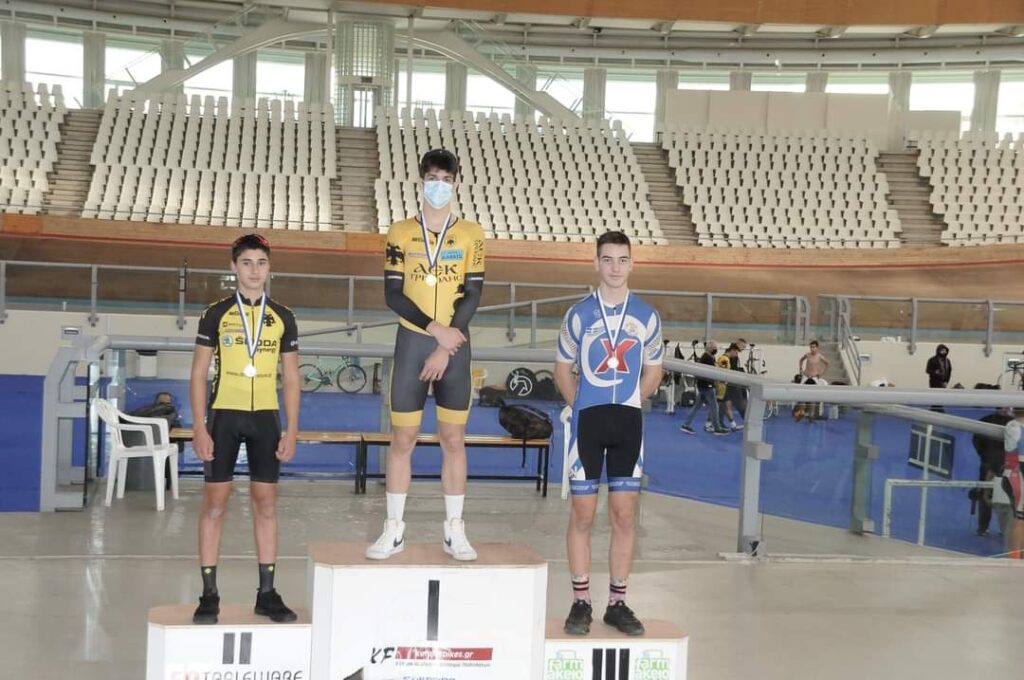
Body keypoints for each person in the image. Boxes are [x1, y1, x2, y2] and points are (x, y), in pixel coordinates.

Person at [366, 149, 486, 561]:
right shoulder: (400, 232)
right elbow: (393, 294)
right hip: (414, 342)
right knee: (403, 438)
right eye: (432, 178)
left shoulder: (471, 234)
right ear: (421, 182)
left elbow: (473, 293)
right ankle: (393, 529)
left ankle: (455, 530)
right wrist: (436, 332)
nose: (439, 185)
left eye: (446, 179)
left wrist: (447, 343)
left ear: (457, 184)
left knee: (453, 439)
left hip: (455, 346)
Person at [555, 230, 664, 636]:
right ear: (596, 263)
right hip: (588, 423)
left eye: (622, 260)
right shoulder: (579, 314)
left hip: (628, 424)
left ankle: (617, 603)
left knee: (624, 514)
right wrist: (580, 405)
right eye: (607, 259)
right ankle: (581, 600)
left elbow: (654, 370)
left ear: (632, 264)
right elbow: (562, 369)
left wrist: (632, 400)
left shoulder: (647, 316)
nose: (615, 268)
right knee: (582, 513)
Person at [190, 233, 300, 625]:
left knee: (266, 504)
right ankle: (209, 595)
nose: (255, 270)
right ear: (234, 267)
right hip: (224, 417)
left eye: (261, 263)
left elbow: (291, 378)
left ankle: (266, 594)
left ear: (270, 268)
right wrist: (199, 427)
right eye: (247, 263)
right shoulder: (215, 313)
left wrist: (292, 429)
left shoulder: (283, 316)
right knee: (214, 505)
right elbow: (199, 374)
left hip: (265, 419)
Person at [972, 407, 1014, 537]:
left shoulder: (1013, 424)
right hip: (990, 463)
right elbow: (977, 440)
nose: (1006, 409)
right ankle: (983, 527)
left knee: (1007, 495)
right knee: (985, 494)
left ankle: (1003, 526)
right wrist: (985, 457)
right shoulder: (986, 421)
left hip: (1006, 464)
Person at [680, 341, 730, 435]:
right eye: (714, 347)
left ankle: (686, 424)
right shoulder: (707, 357)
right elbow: (712, 370)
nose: (716, 349)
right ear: (709, 348)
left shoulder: (710, 357)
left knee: (697, 406)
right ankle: (717, 428)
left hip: (704, 385)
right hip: (707, 385)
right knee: (714, 407)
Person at [1001, 408, 1024, 558]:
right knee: (1021, 519)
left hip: (1015, 474)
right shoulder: (1015, 427)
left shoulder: (1014, 426)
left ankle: (1018, 557)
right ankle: (1014, 559)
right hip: (1018, 475)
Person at [794, 340, 830, 421]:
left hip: (814, 377)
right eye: (811, 347)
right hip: (806, 376)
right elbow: (801, 360)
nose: (812, 349)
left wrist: (821, 374)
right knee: (801, 395)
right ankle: (801, 412)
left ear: (817, 348)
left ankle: (811, 415)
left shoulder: (820, 356)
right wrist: (801, 369)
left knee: (813, 397)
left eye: (814, 347)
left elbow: (827, 364)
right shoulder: (807, 355)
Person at [715, 343, 743, 431]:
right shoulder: (724, 359)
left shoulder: (726, 359)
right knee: (716, 406)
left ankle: (733, 424)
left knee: (727, 405)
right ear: (732, 351)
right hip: (721, 387)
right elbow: (723, 373)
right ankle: (709, 423)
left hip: (724, 386)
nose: (736, 355)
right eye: (736, 353)